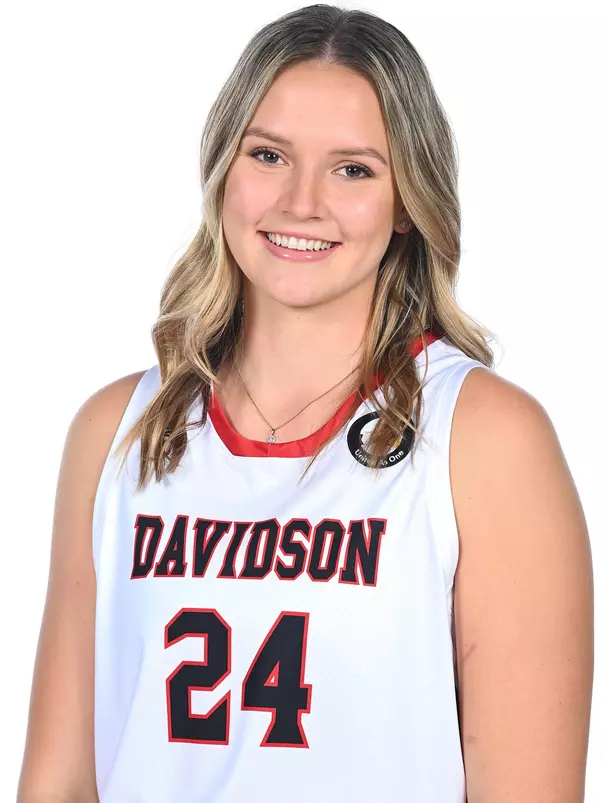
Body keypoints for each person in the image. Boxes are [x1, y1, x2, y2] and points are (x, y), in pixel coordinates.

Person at [17, 4, 594, 803]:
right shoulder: (117, 432)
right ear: (224, 167)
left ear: (406, 202)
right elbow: (59, 784)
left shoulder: (484, 438)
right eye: (269, 155)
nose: (300, 202)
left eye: (353, 168)